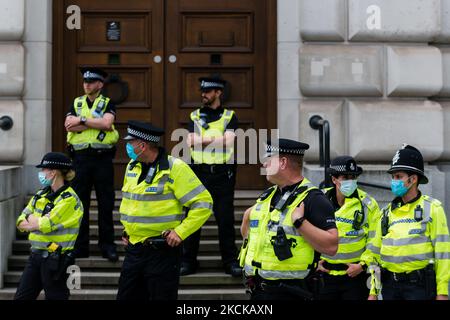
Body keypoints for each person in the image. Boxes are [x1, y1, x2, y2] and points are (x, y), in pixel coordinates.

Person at [116, 121, 213, 300]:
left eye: (130, 142)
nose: (127, 146)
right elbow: (133, 204)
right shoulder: (132, 166)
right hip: (134, 250)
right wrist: (127, 231)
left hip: (162, 251)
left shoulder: (175, 168)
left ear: (143, 145)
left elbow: (203, 203)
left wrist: (180, 232)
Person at [239, 138, 338, 300]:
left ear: (283, 162)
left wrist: (300, 223)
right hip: (258, 290)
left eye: (269, 159)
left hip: (291, 293)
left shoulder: (313, 198)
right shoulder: (267, 195)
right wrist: (246, 218)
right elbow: (249, 236)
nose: (264, 165)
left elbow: (331, 246)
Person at [366, 144, 450, 300]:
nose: (394, 181)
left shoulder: (432, 209)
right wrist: (373, 291)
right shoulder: (385, 213)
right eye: (393, 177)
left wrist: (442, 292)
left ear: (413, 179)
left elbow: (443, 254)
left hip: (418, 289)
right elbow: (374, 255)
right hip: (390, 288)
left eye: (398, 176)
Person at [181, 76, 241, 277]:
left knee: (225, 220)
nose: (203, 94)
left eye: (208, 91)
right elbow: (190, 141)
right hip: (198, 174)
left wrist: (203, 140)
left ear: (218, 93)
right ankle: (188, 262)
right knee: (193, 218)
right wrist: (217, 139)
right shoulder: (195, 116)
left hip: (223, 175)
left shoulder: (229, 116)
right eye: (202, 91)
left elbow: (229, 142)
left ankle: (230, 262)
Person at [64, 67, 119, 262]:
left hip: (102, 160)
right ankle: (80, 247)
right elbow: (69, 125)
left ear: (100, 84)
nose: (86, 84)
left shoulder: (107, 103)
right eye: (85, 81)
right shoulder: (77, 103)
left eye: (91, 81)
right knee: (80, 205)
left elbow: (106, 124)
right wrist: (90, 121)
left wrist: (82, 121)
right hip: (80, 160)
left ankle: (107, 246)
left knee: (106, 204)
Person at [14, 152, 83, 300]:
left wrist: (32, 220)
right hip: (35, 256)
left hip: (56, 260)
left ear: (53, 172)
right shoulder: (40, 194)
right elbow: (20, 222)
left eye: (43, 170)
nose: (41, 173)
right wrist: (35, 222)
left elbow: (45, 224)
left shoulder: (69, 200)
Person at [316, 156, 381, 300]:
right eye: (345, 177)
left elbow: (375, 245)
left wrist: (363, 268)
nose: (350, 181)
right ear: (334, 179)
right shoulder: (319, 200)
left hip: (356, 278)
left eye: (353, 177)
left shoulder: (368, 205)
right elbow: (307, 234)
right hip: (324, 278)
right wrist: (313, 262)